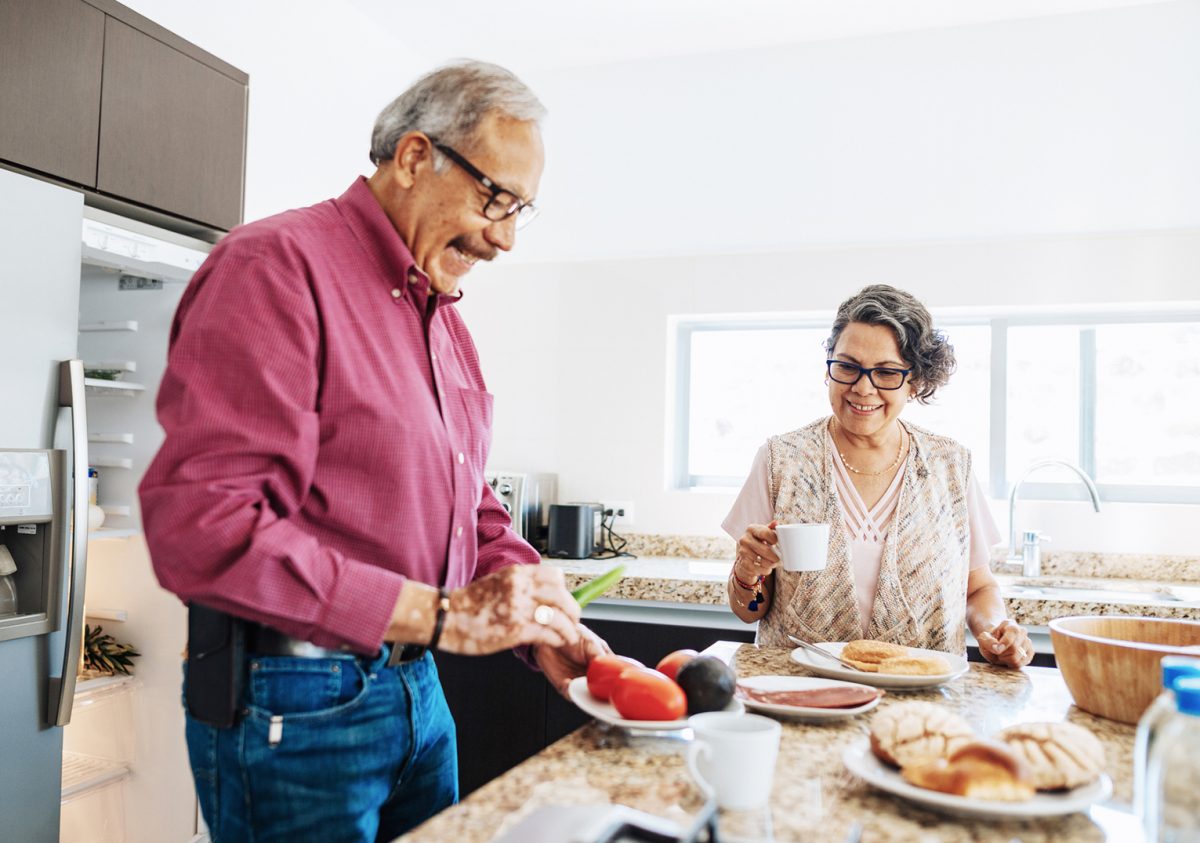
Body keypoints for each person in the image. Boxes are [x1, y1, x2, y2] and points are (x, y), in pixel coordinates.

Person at [139, 60, 608, 843]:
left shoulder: (444, 320)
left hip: (418, 686)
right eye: (497, 198)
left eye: (522, 209)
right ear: (415, 156)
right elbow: (206, 523)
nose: (505, 238)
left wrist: (539, 619)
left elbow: (469, 503)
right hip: (295, 696)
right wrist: (445, 613)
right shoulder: (276, 268)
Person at [722, 284, 1033, 669]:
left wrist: (997, 629)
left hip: (921, 695)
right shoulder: (780, 460)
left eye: (886, 372)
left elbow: (979, 588)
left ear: (915, 381)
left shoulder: (951, 465)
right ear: (828, 369)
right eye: (848, 367)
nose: (862, 387)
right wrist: (747, 573)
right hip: (802, 690)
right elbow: (748, 610)